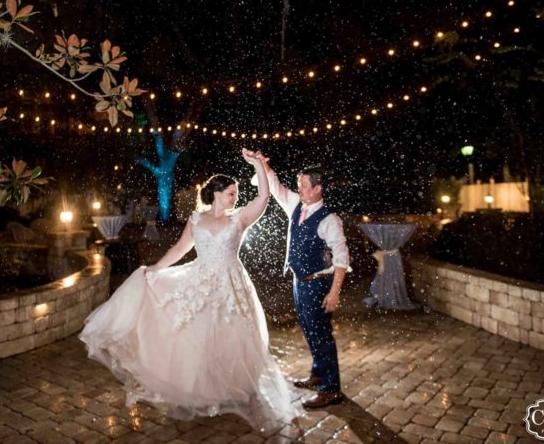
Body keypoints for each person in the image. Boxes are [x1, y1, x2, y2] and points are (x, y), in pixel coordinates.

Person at [80, 149, 301, 432]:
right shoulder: (197, 220)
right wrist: (156, 270)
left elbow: (263, 198)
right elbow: (180, 248)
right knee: (198, 333)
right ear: (216, 194)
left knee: (231, 334)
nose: (235, 197)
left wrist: (257, 164)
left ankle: (231, 387)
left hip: (231, 283)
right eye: (230, 193)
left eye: (235, 193)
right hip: (200, 280)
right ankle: (205, 389)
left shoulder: (239, 219)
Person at [256, 152, 350, 409]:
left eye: (304, 185)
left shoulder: (330, 220)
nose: (299, 189)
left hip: (318, 283)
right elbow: (276, 188)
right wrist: (264, 164)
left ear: (318, 188)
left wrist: (334, 293)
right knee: (309, 329)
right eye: (299, 185)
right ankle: (318, 373)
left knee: (322, 335)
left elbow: (341, 259)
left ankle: (331, 389)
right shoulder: (297, 204)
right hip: (300, 282)